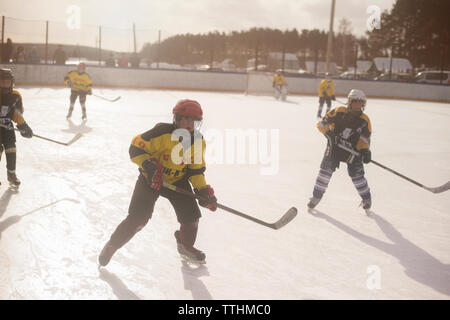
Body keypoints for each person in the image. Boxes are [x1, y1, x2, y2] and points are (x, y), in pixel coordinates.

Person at [99, 99, 218, 266]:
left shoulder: (197, 141)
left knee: (191, 219)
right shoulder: (160, 132)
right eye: (186, 119)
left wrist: (203, 191)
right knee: (138, 218)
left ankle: (186, 246)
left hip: (177, 181)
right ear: (176, 119)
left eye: (194, 121)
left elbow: (195, 171)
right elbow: (135, 148)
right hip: (151, 180)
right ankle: (112, 245)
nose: (190, 125)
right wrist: (148, 165)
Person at [307, 89, 372, 212]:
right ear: (350, 102)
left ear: (364, 104)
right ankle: (316, 196)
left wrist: (365, 151)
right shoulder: (338, 112)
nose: (358, 104)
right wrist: (329, 134)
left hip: (353, 151)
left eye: (360, 102)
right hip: (334, 148)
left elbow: (365, 139)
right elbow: (321, 124)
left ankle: (367, 198)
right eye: (355, 101)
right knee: (325, 172)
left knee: (357, 176)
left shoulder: (365, 120)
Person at [0, 68, 33, 189]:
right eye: (2, 81)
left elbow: (16, 113)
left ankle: (11, 175)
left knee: (11, 149)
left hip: (7, 126)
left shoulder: (15, 95)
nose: (5, 83)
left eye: (7, 81)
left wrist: (23, 126)